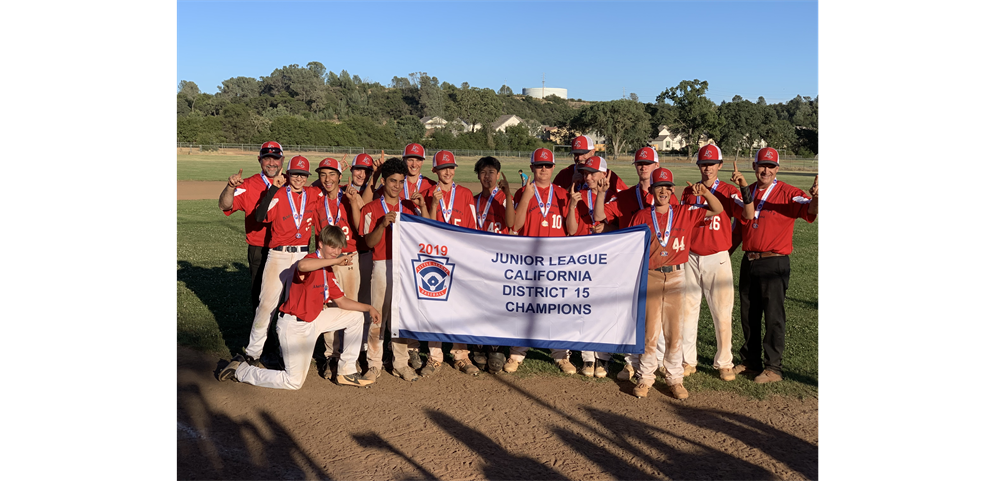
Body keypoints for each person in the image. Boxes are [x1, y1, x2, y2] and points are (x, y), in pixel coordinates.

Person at [219, 225, 380, 390]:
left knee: (355, 316)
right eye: (332, 246)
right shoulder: (311, 260)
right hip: (294, 327)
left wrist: (368, 308)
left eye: (339, 247)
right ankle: (242, 370)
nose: (336, 251)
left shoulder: (327, 270)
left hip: (314, 320)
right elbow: (303, 266)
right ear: (321, 245)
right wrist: (336, 260)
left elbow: (341, 301)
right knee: (293, 382)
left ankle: (346, 371)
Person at [629, 168, 724, 400]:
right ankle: (646, 376)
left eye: (668, 187)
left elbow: (717, 209)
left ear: (673, 190)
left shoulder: (685, 212)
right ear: (651, 190)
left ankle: (674, 377)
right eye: (658, 186)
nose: (663, 191)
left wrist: (705, 192)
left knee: (674, 331)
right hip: (650, 276)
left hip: (676, 276)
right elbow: (630, 248)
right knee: (650, 331)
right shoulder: (641, 216)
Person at [735, 147, 819, 383]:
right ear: (754, 167)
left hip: (774, 262)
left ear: (777, 169)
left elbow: (809, 210)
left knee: (773, 316)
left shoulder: (788, 192)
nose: (766, 170)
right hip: (749, 260)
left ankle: (773, 368)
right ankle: (751, 361)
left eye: (771, 166)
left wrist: (817, 198)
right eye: (762, 165)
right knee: (748, 314)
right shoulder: (747, 191)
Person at [678, 144, 755, 382]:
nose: (707, 167)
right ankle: (687, 359)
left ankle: (724, 362)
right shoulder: (689, 192)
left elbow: (749, 215)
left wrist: (743, 186)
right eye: (703, 163)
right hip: (690, 256)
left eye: (712, 164)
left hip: (716, 256)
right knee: (688, 311)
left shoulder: (728, 190)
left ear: (719, 166)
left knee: (721, 313)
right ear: (699, 165)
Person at [600, 147, 678, 381]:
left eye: (647, 163)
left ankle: (662, 363)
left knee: (662, 318)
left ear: (657, 165)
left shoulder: (667, 195)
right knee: (634, 314)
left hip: (659, 262)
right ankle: (632, 363)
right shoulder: (624, 195)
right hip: (632, 262)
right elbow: (603, 218)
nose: (643, 167)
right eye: (639, 163)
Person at [360, 157, 431, 381]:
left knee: (400, 319)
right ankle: (374, 364)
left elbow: (429, 231)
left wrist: (424, 207)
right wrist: (381, 224)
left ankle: (400, 362)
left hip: (405, 268)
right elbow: (368, 243)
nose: (397, 186)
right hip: (381, 265)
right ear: (383, 181)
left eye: (401, 182)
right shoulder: (371, 208)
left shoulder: (410, 207)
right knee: (378, 317)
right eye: (392, 181)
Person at [242, 155, 318, 367]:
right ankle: (253, 352)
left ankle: (292, 352)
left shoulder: (312, 194)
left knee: (295, 306)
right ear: (288, 174)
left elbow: (330, 186)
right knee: (266, 304)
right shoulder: (278, 194)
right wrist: (273, 190)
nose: (299, 179)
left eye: (303, 175)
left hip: (302, 255)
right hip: (279, 255)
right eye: (295, 174)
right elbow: (259, 216)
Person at [508, 148, 574, 374]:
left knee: (555, 307)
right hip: (529, 257)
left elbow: (571, 229)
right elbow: (515, 226)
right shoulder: (522, 192)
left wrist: (573, 205)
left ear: (553, 168)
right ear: (532, 168)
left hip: (555, 259)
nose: (543, 169)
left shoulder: (561, 193)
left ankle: (561, 354)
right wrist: (526, 196)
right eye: (539, 165)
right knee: (526, 306)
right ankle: (518, 351)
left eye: (547, 165)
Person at [424, 150, 480, 376]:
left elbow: (473, 227)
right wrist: (434, 204)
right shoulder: (428, 193)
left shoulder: (466, 194)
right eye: (443, 167)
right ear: (435, 170)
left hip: (459, 256)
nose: (448, 171)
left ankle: (461, 355)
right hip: (436, 258)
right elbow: (425, 228)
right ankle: (434, 355)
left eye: (451, 167)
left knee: (459, 308)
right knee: (435, 306)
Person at [311, 157, 366, 380]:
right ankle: (331, 355)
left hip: (349, 258)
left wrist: (353, 201)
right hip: (327, 261)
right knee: (329, 305)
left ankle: (349, 358)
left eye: (332, 174)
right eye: (323, 175)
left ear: (340, 176)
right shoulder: (316, 200)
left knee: (351, 308)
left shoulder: (350, 195)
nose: (327, 179)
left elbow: (361, 224)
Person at [218, 141, 285, 313]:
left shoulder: (291, 182)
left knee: (288, 296)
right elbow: (225, 206)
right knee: (260, 297)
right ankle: (262, 338)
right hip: (260, 246)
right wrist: (230, 187)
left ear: (282, 160)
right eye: (267, 158)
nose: (271, 163)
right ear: (259, 160)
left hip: (286, 247)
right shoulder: (247, 185)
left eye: (275, 158)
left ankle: (283, 337)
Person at [564, 156, 612, 378]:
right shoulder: (577, 194)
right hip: (582, 259)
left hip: (605, 260)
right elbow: (572, 231)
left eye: (593, 173)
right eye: (585, 173)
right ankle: (587, 358)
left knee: (604, 309)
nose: (588, 177)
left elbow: (615, 225)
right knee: (583, 307)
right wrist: (573, 205)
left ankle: (603, 357)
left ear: (604, 173)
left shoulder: (614, 196)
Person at [471, 156, 516, 373]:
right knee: (479, 302)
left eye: (491, 172)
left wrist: (507, 194)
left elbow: (510, 223)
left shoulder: (506, 198)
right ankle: (479, 345)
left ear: (498, 175)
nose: (487, 176)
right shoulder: (473, 199)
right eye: (483, 172)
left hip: (500, 259)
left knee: (498, 303)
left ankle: (497, 347)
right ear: (478, 175)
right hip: (479, 258)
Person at [553, 135, 627, 199]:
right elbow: (553, 201)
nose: (579, 158)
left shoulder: (605, 175)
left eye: (583, 154)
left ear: (593, 151)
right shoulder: (564, 173)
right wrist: (572, 185)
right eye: (576, 154)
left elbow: (626, 197)